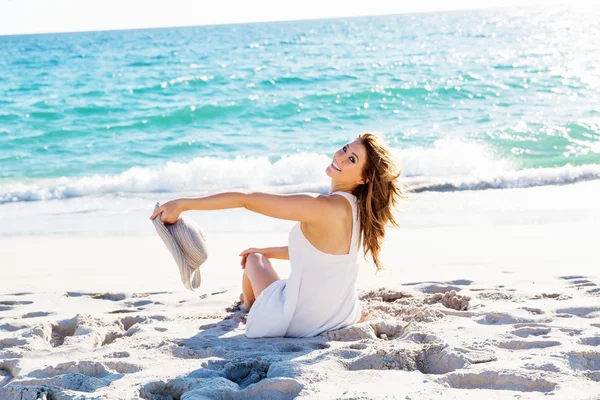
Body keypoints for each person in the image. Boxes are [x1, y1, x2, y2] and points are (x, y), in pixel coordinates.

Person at [149, 132, 407, 338]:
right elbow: (322, 256)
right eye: (344, 149)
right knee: (258, 255)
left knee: (252, 261)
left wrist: (183, 204)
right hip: (339, 315)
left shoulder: (321, 206)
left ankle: (249, 308)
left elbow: (246, 200)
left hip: (298, 322)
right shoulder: (358, 210)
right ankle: (251, 303)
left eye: (352, 159)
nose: (340, 157)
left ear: (364, 178)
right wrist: (268, 251)